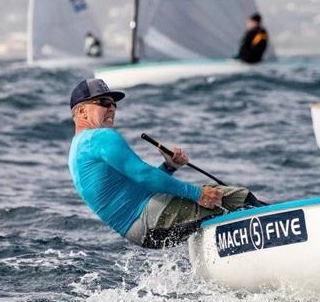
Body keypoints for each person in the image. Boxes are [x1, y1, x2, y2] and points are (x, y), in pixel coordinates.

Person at [67, 78, 267, 249]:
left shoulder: (78, 148)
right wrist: (197, 194)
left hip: (142, 231)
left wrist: (169, 166)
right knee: (239, 198)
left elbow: (135, 187)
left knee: (216, 207)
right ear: (82, 112)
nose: (112, 108)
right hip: (149, 218)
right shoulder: (100, 137)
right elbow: (143, 175)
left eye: (114, 104)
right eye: (103, 102)